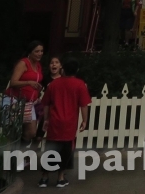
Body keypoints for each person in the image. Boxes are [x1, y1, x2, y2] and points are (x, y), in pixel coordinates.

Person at [38, 57, 91, 189]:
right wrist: (85, 120)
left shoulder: (53, 84)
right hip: (70, 123)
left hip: (54, 122)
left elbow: (46, 104)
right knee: (66, 151)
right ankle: (60, 178)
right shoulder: (80, 85)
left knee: (50, 148)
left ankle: (44, 177)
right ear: (76, 70)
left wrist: (46, 119)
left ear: (63, 69)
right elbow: (84, 105)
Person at [6, 41, 45, 145]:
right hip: (15, 99)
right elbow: (13, 82)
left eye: (41, 51)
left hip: (29, 102)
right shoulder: (23, 63)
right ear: (30, 52)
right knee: (14, 130)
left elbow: (36, 81)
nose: (40, 53)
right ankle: (11, 155)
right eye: (37, 51)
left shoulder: (38, 65)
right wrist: (28, 82)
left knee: (31, 132)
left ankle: (19, 151)